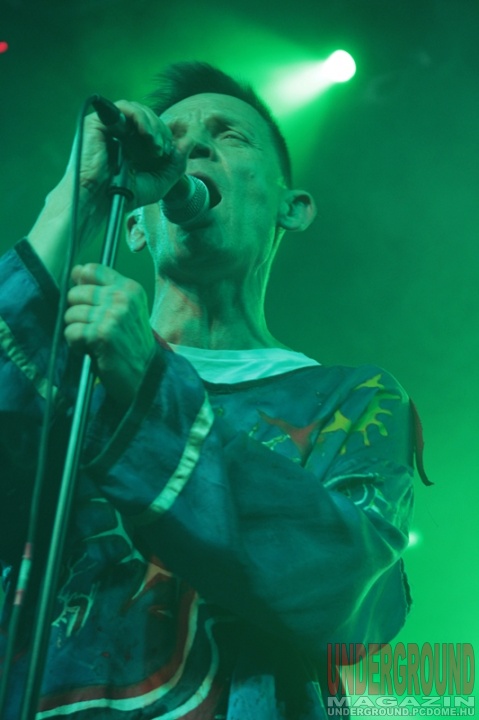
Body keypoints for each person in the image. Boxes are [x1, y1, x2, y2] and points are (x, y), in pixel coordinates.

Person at [0, 62, 427, 719]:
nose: (194, 145)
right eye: (173, 137)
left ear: (292, 207)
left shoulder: (351, 399)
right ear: (135, 224)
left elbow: (344, 594)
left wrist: (148, 382)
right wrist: (75, 197)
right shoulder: (71, 372)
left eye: (229, 135)